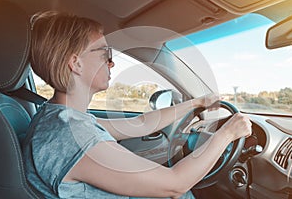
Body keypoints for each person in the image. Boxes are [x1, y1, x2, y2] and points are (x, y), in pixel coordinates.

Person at [22, 11, 252, 199]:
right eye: (105, 53)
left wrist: (196, 103)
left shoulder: (63, 118)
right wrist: (228, 133)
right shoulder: (72, 135)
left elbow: (138, 123)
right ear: (76, 63)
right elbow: (175, 185)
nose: (111, 62)